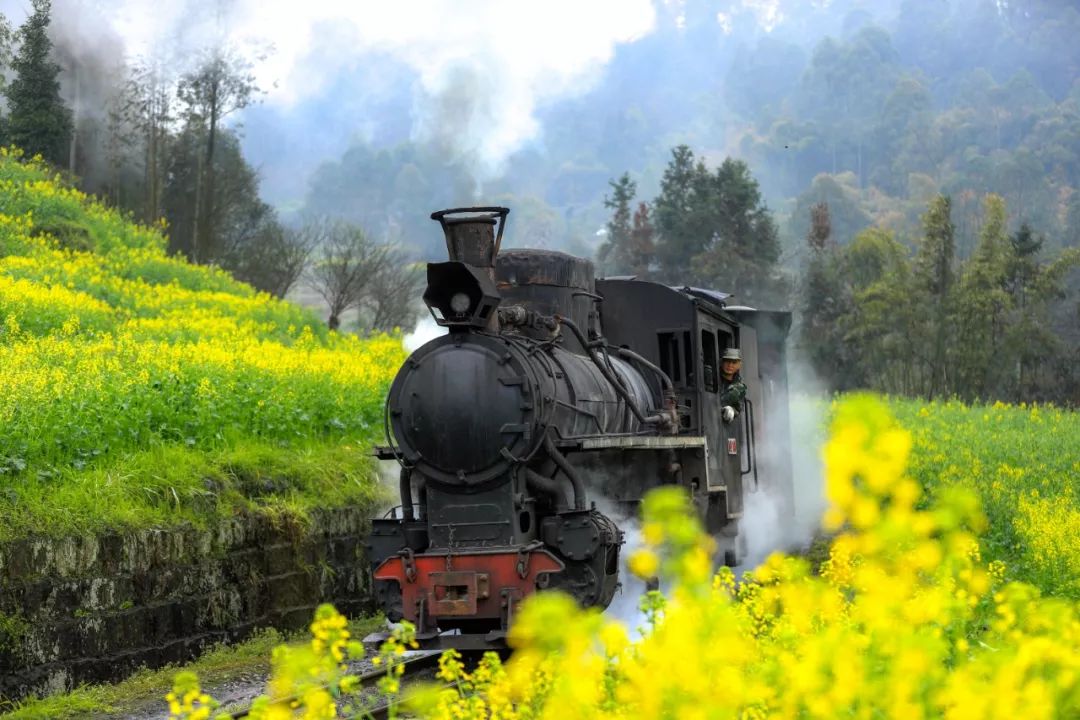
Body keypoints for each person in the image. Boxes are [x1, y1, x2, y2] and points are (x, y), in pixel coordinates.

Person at [719, 347, 746, 423]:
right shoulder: (711, 377)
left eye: (734, 362)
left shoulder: (739, 387)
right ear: (722, 362)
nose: (730, 365)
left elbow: (738, 407)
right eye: (727, 361)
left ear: (739, 365)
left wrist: (732, 410)